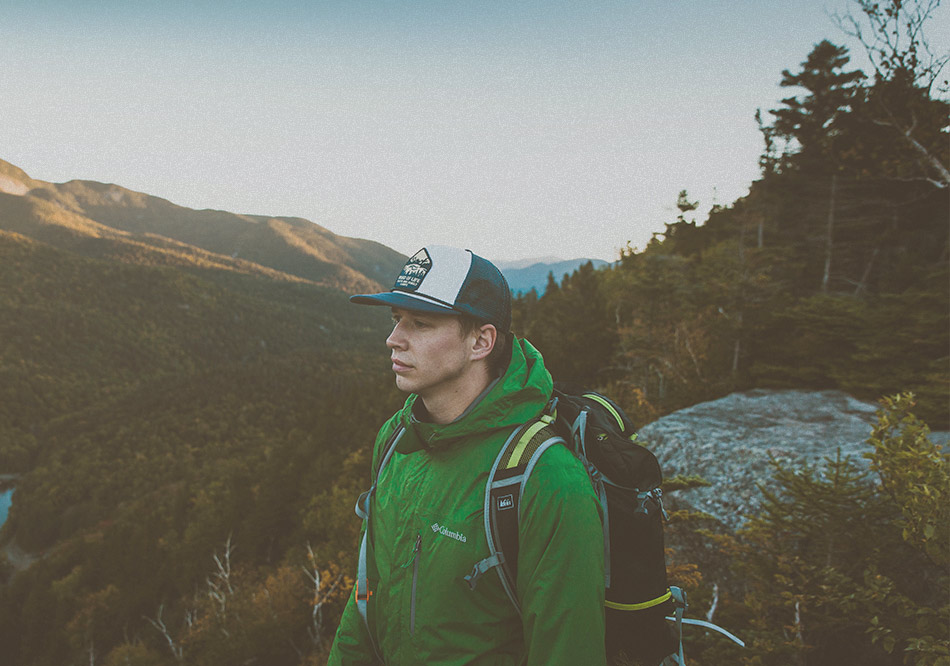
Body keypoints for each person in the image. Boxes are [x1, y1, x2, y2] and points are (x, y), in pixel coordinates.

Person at [327, 246, 606, 665]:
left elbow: (568, 651)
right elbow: (367, 597)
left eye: (420, 323)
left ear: (481, 341)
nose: (393, 339)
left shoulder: (546, 479)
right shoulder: (397, 440)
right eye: (396, 319)